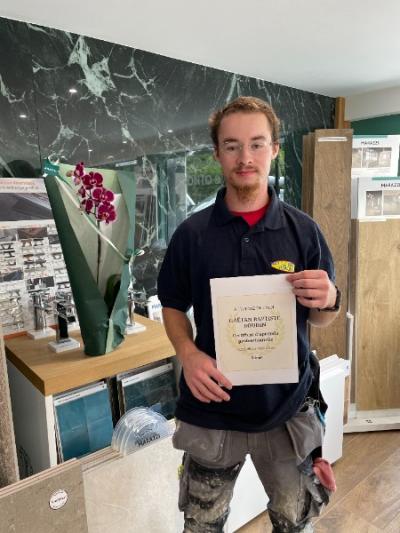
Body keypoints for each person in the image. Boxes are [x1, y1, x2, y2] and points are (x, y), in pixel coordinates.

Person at [157, 96, 340, 533]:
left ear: (274, 148)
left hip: (288, 411)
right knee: (201, 526)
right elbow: (173, 306)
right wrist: (189, 353)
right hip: (212, 411)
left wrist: (329, 298)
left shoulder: (303, 231)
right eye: (233, 145)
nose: (245, 158)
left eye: (257, 144)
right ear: (217, 153)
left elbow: (321, 319)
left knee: (294, 525)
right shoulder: (191, 235)